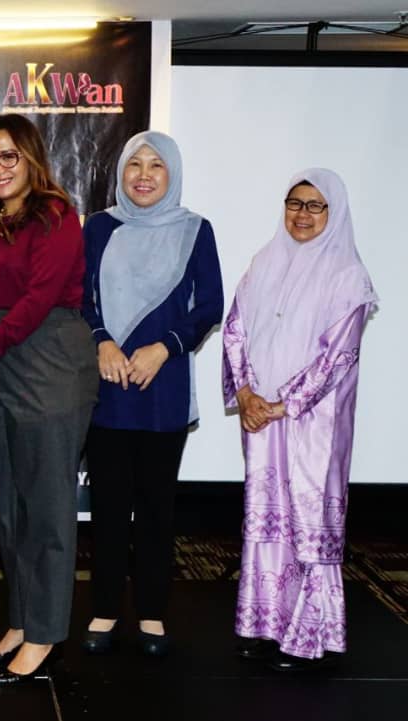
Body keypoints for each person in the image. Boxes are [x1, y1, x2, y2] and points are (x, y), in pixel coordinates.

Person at [0, 114, 98, 684]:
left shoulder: (56, 214)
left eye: (8, 156)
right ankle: (22, 621)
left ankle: (46, 635)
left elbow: (36, 302)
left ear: (30, 157)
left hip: (48, 358)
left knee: (47, 508)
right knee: (10, 508)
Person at [223, 168, 377, 671]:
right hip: (262, 417)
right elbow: (235, 331)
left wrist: (284, 403)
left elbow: (339, 356)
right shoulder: (262, 263)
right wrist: (246, 393)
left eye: (315, 205)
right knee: (267, 521)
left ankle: (308, 636)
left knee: (308, 523)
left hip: (314, 423)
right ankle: (266, 626)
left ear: (334, 213)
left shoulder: (348, 277)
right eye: (295, 203)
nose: (303, 214)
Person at [79, 131, 224, 656]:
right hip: (108, 384)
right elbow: (80, 296)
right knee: (109, 507)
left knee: (157, 508)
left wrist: (165, 347)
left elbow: (210, 305)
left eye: (156, 165)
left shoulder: (195, 229)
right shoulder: (99, 226)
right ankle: (105, 607)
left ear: (172, 173)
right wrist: (102, 342)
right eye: (134, 164)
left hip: (164, 388)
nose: (143, 175)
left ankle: (152, 612)